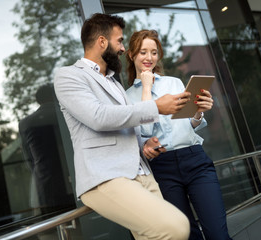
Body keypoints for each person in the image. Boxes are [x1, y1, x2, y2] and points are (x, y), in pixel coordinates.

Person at [54, 13, 191, 240]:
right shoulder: (69, 76)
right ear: (102, 42)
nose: (122, 48)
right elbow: (98, 117)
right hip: (106, 176)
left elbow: (125, 124)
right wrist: (156, 107)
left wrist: (145, 144)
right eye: (119, 41)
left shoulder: (113, 81)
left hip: (142, 173)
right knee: (177, 228)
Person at [125, 29, 232, 240]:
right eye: (143, 52)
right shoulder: (127, 97)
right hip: (162, 169)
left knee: (218, 234)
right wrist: (146, 87)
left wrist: (199, 111)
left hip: (194, 158)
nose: (149, 58)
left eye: (154, 52)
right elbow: (145, 132)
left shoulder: (173, 83)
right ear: (131, 55)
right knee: (185, 234)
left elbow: (188, 124)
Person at [19, 85, 76, 214]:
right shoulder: (68, 114)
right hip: (74, 179)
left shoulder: (25, 123)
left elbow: (29, 159)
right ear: (55, 96)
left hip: (46, 185)